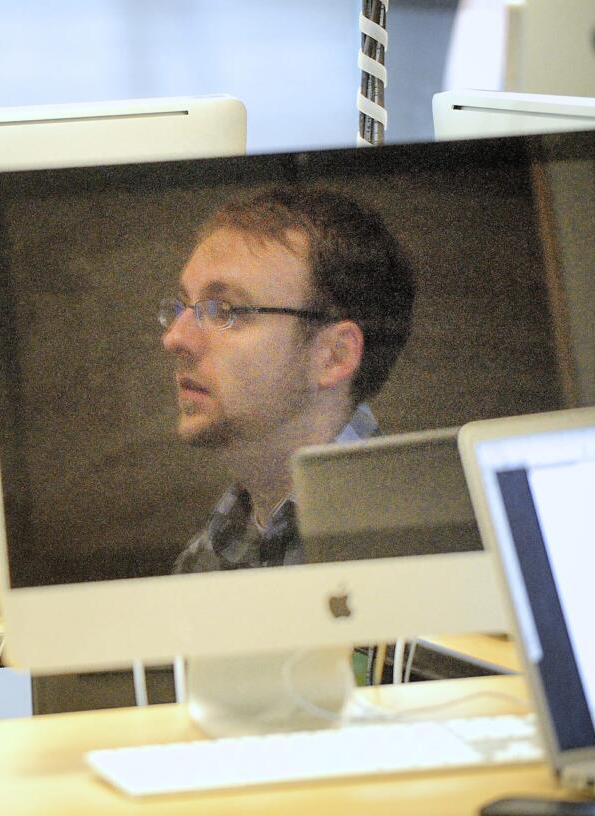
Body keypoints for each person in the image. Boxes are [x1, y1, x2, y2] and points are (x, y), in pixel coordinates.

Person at [162, 186, 415, 573]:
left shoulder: (429, 540)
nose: (175, 338)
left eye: (225, 311)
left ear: (335, 355)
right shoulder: (200, 563)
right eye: (183, 308)